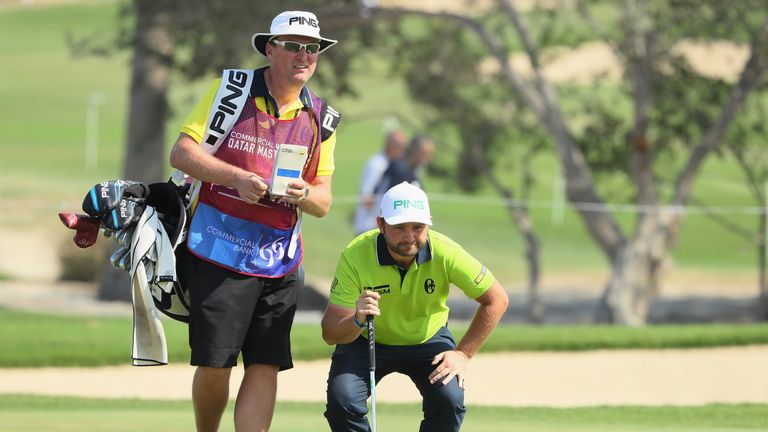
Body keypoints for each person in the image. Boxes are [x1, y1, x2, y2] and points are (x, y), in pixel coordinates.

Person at [168, 10, 340, 432]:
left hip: (279, 257)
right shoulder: (230, 90)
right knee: (216, 361)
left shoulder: (322, 117)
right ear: (270, 48)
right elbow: (182, 154)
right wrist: (236, 178)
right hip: (218, 246)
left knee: (266, 363)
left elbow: (323, 201)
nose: (304, 55)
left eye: (312, 48)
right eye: (293, 46)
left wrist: (304, 194)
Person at [321, 182, 509, 432]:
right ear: (381, 225)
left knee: (449, 400)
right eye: (399, 227)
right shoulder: (355, 255)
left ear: (429, 223)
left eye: (418, 227)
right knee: (342, 400)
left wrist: (463, 354)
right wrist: (357, 319)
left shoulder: (446, 252)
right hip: (368, 340)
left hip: (427, 339)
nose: (409, 236)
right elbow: (330, 332)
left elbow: (497, 299)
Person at [353, 129, 407, 235]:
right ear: (390, 146)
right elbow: (366, 195)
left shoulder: (392, 164)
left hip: (379, 226)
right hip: (368, 226)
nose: (402, 151)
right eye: (400, 147)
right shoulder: (377, 164)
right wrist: (378, 217)